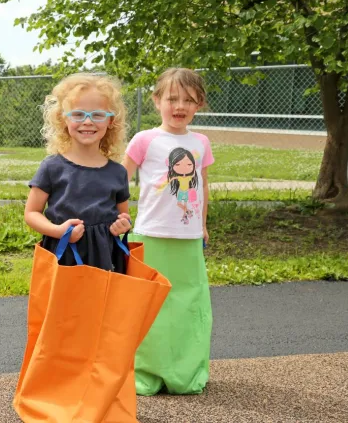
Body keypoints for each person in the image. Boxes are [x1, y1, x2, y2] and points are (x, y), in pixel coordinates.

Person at [122, 67, 214, 395]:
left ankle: (185, 373)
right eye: (172, 98)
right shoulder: (144, 139)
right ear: (156, 100)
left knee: (189, 305)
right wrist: (121, 216)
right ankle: (145, 372)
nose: (180, 105)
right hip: (149, 235)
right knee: (149, 304)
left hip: (188, 240)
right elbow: (118, 180)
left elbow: (202, 187)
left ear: (199, 104)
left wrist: (202, 225)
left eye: (189, 100)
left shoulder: (201, 142)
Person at [25, 73, 132, 272]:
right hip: (64, 253)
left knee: (102, 303)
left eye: (98, 114)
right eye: (78, 114)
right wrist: (57, 231)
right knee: (66, 302)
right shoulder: (52, 167)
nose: (88, 122)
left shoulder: (117, 172)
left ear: (110, 121)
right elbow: (31, 213)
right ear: (63, 119)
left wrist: (123, 225)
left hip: (105, 256)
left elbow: (124, 215)